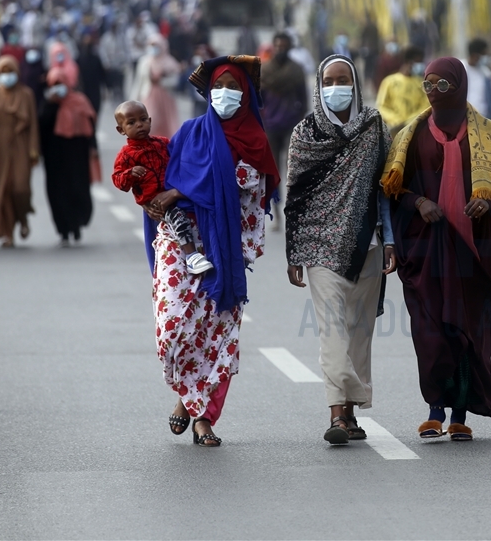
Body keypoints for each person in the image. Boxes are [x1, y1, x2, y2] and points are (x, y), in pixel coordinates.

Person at [381, 57, 491, 441]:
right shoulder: (410, 134)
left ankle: (459, 414)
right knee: (430, 331)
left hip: (473, 254)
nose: (435, 92)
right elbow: (394, 191)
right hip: (426, 250)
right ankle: (434, 409)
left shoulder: (490, 134)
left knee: (468, 333)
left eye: (444, 85)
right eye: (429, 84)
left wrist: (487, 204)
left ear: (459, 86)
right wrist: (419, 203)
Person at [147, 56, 280, 447]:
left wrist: (180, 190)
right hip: (180, 240)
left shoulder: (255, 141)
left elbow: (251, 190)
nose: (225, 94)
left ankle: (201, 416)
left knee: (215, 335)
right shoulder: (188, 133)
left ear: (246, 94)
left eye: (234, 87)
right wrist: (151, 186)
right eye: (219, 87)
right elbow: (164, 176)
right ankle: (188, 398)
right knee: (173, 329)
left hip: (224, 246)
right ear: (208, 93)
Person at [285, 55, 396, 445]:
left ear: (356, 82)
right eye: (329, 80)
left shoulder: (374, 126)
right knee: (332, 331)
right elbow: (295, 196)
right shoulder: (305, 134)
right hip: (319, 246)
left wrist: (390, 240)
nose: (336, 87)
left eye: (342, 79)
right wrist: (294, 252)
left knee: (358, 333)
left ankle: (350, 414)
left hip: (368, 244)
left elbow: (384, 189)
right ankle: (336, 412)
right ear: (319, 85)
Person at [111, 100, 212, 274]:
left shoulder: (162, 143)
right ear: (121, 130)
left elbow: (181, 161)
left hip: (173, 193)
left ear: (150, 120)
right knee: (177, 220)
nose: (139, 125)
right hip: (155, 203)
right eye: (131, 122)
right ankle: (192, 256)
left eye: (143, 119)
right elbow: (118, 180)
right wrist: (130, 174)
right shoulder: (126, 155)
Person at [0, 55, 39, 247]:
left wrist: (33, 149)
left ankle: (23, 217)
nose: (7, 76)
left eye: (10, 72)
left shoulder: (26, 94)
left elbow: (33, 125)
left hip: (20, 144)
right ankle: (7, 233)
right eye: (3, 72)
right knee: (2, 189)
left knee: (20, 187)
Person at [37, 68, 97, 246]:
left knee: (77, 189)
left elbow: (89, 126)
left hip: (76, 156)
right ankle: (63, 229)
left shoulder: (79, 101)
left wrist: (93, 147)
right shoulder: (47, 105)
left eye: (60, 84)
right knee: (57, 194)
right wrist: (52, 105)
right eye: (54, 85)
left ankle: (77, 225)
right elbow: (40, 128)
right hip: (54, 158)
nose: (58, 88)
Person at [260, 32, 307, 213]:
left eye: (284, 47)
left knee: (292, 166)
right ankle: (275, 208)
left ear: (289, 48)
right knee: (273, 171)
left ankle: (292, 204)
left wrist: (299, 119)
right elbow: (258, 101)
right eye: (278, 46)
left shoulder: (296, 70)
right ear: (274, 47)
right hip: (270, 126)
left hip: (291, 124)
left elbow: (303, 99)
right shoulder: (264, 70)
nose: (281, 50)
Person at [131, 35, 181, 139]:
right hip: (148, 96)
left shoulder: (169, 62)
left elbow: (175, 81)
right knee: (150, 120)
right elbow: (138, 82)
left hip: (165, 99)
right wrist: (133, 101)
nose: (153, 49)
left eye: (155, 46)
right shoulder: (144, 62)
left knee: (167, 124)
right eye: (151, 45)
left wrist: (161, 80)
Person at [375, 45, 429, 137]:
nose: (420, 66)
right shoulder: (389, 82)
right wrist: (396, 120)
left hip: (416, 130)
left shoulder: (420, 83)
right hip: (394, 132)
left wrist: (411, 121)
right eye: (418, 62)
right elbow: (382, 106)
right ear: (409, 62)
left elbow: (426, 106)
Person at [461, 38, 491, 119]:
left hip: (482, 118)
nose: (486, 57)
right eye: (484, 54)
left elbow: (490, 102)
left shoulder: (486, 74)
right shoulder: (460, 69)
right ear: (475, 55)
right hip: (464, 117)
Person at [77, 31, 106, 118]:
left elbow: (102, 75)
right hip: (84, 91)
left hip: (94, 91)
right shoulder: (79, 59)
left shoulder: (95, 59)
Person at [359, 12, 381, 86]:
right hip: (373, 50)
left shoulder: (367, 27)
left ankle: (369, 84)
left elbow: (363, 39)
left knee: (369, 69)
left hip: (370, 50)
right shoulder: (373, 27)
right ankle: (369, 84)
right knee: (372, 68)